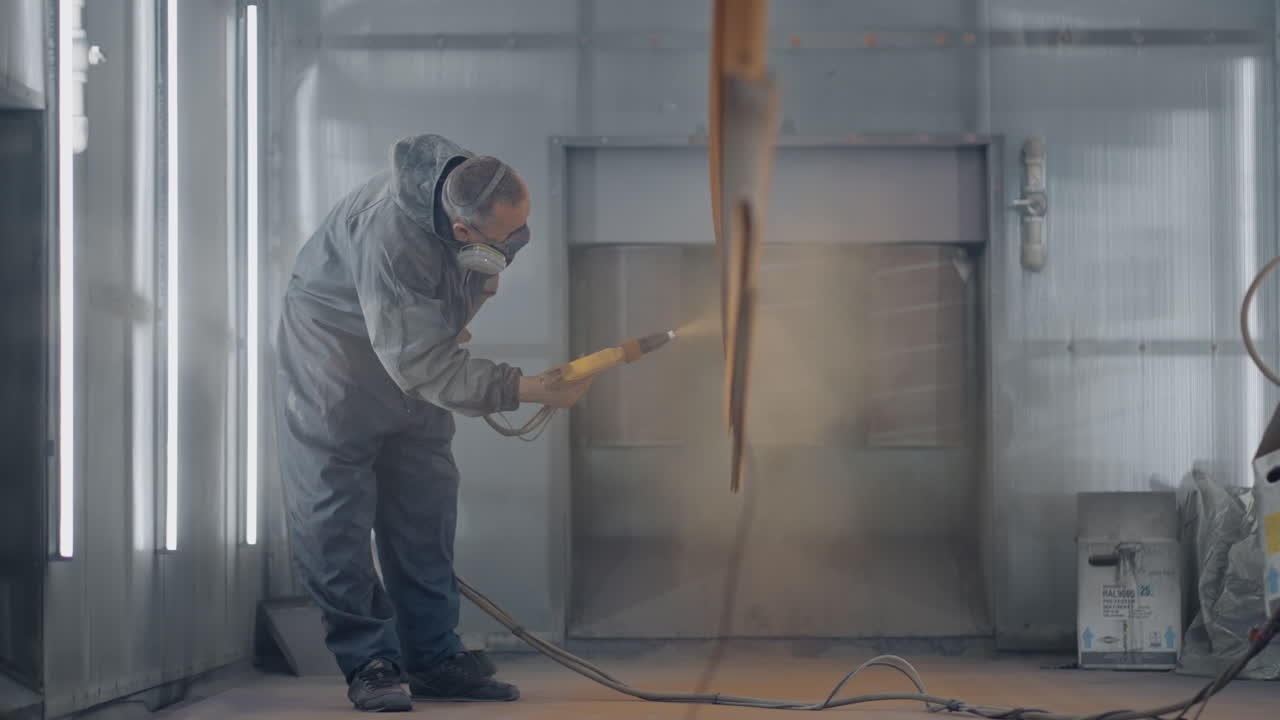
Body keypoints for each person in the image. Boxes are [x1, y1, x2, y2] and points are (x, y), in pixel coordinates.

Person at [274, 134, 592, 712]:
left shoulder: (477, 190)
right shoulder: (390, 239)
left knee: (425, 504)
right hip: (335, 354)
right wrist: (521, 388)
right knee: (334, 515)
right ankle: (370, 662)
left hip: (410, 343)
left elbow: (453, 307)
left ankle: (434, 659)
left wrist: (445, 320)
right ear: (463, 231)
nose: (513, 246)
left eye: (519, 233)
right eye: (502, 241)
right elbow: (419, 363)